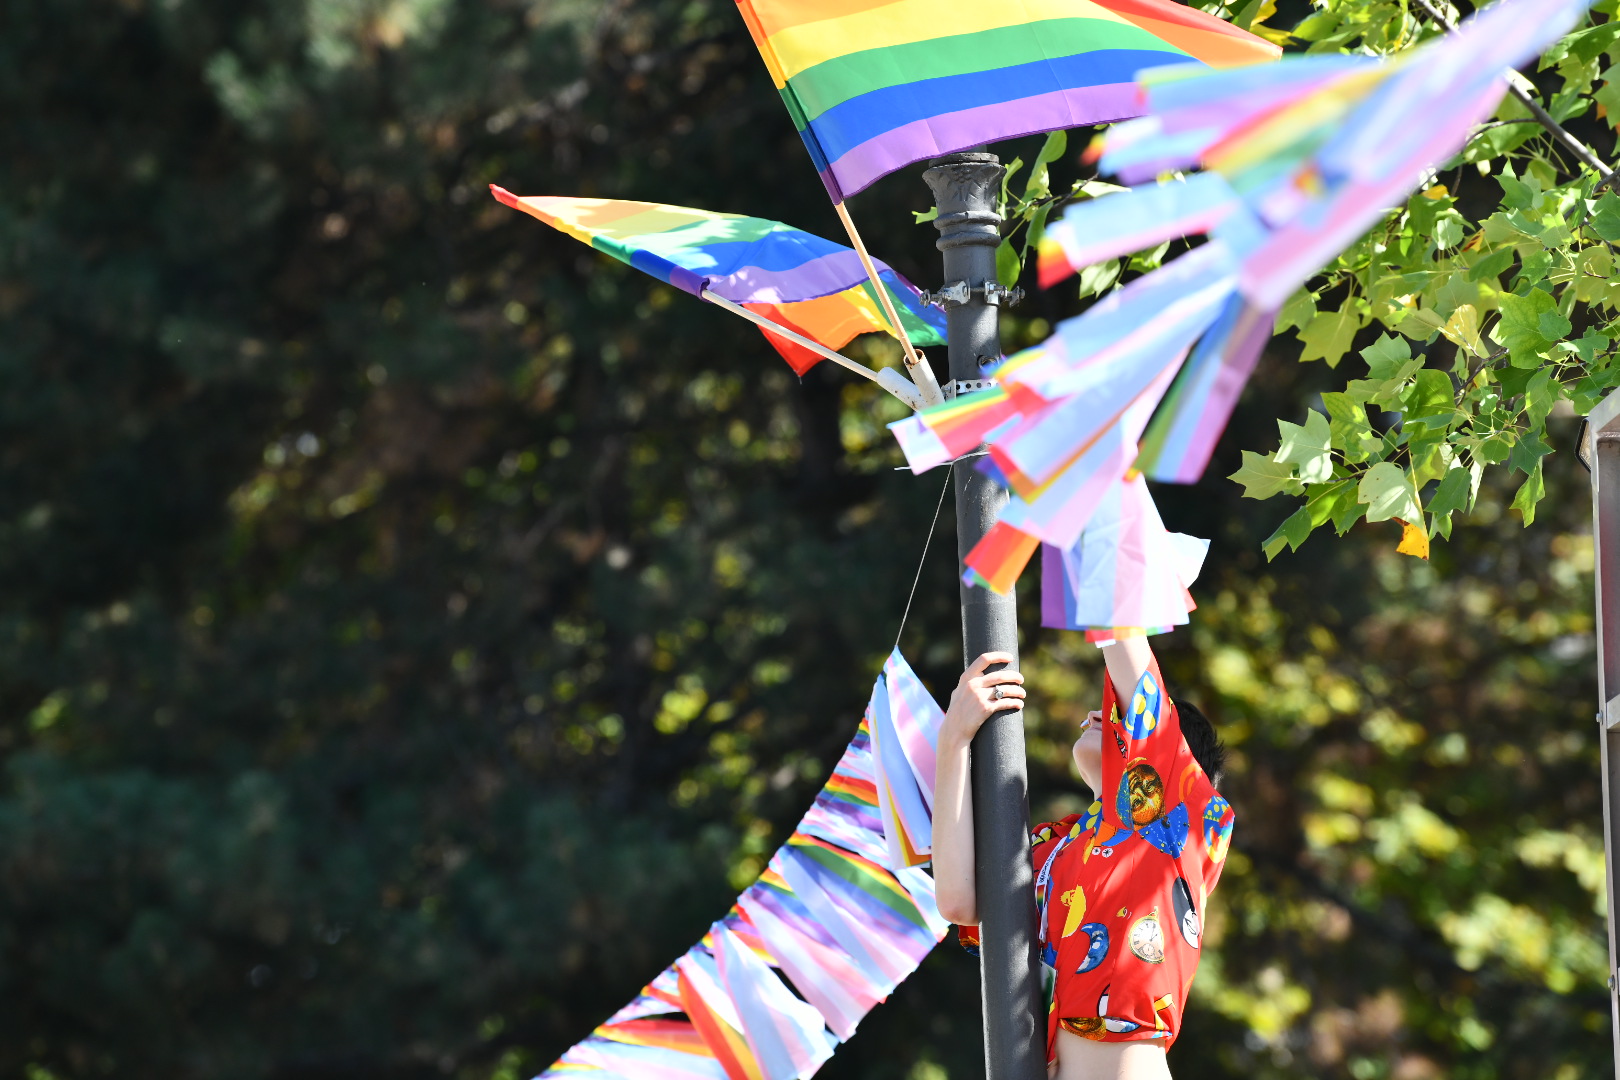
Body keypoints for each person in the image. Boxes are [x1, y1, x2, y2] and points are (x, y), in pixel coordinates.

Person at [932, 640, 1233, 1080]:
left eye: (1117, 716)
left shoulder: (1178, 814)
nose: (1096, 715)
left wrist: (1097, 570)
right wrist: (953, 739)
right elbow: (961, 900)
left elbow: (1120, 631)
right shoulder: (1056, 848)